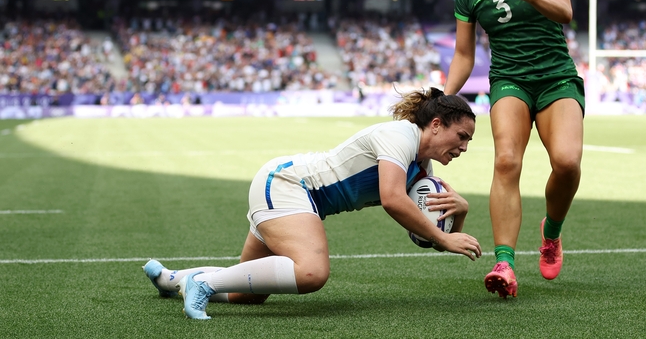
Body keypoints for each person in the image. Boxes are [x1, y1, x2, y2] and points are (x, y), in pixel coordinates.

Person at [142, 87, 482, 319]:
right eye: (462, 136)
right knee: (311, 272)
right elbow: (393, 201)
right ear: (436, 125)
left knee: (249, 292)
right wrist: (444, 237)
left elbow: (425, 237)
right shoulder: (401, 136)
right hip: (288, 185)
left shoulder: (424, 170)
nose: (464, 147)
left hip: (292, 197)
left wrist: (459, 216)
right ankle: (203, 284)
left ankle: (174, 280)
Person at [444, 0, 585, 298]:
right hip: (509, 81)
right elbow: (463, 55)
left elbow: (565, 12)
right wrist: (443, 95)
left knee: (568, 163)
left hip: (557, 78)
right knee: (506, 160)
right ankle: (503, 263)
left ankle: (551, 233)